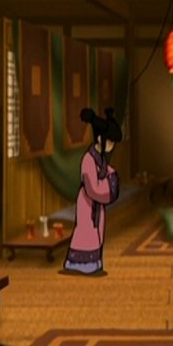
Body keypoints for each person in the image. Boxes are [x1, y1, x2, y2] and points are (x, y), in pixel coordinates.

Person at [64, 107, 123, 276]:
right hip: (88, 203)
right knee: (86, 233)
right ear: (99, 138)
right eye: (109, 141)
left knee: (96, 234)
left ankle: (93, 264)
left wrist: (111, 175)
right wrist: (110, 182)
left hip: (96, 205)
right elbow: (93, 188)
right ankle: (80, 264)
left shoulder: (100, 159)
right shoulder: (88, 160)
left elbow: (106, 172)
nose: (111, 145)